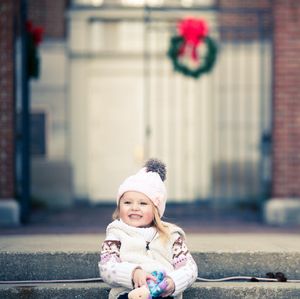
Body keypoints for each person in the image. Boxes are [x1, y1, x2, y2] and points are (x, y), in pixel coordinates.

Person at [99, 158, 198, 299]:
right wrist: (132, 273)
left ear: (156, 210)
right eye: (127, 202)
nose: (134, 208)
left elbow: (189, 268)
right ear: (119, 206)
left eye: (143, 203)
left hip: (162, 293)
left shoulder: (171, 236)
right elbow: (106, 267)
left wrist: (173, 282)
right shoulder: (116, 233)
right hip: (128, 293)